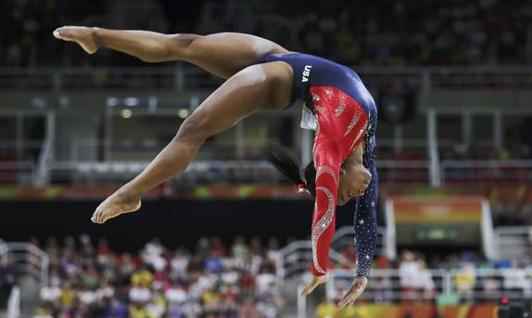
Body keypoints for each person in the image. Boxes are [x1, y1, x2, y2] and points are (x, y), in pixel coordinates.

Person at [53, 26, 378, 308]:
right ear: (340, 174)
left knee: (194, 128)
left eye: (345, 198)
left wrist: (323, 267)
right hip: (280, 56)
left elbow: (327, 211)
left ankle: (130, 193)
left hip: (278, 79)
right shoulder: (365, 141)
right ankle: (98, 37)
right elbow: (357, 208)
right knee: (184, 43)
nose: (355, 196)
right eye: (346, 196)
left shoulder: (328, 152)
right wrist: (362, 270)